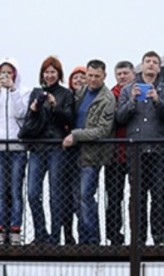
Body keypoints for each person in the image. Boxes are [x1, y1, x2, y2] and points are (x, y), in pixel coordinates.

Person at [115, 50, 164, 245]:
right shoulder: (127, 89)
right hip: (136, 149)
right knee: (137, 197)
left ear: (159, 67)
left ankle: (159, 237)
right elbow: (120, 118)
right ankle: (138, 238)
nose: (151, 65)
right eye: (147, 61)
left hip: (159, 149)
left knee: (158, 195)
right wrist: (132, 100)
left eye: (155, 62)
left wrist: (158, 100)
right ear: (141, 65)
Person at [22, 56, 75, 246]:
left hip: (56, 147)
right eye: (47, 72)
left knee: (55, 194)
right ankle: (40, 233)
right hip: (37, 146)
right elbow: (29, 120)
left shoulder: (66, 94)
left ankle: (54, 236)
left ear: (59, 74)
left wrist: (55, 106)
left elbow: (69, 118)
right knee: (32, 192)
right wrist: (34, 109)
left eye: (53, 72)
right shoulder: (36, 92)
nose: (50, 75)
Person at [62, 59, 114, 246]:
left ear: (104, 76)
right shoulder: (81, 92)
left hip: (92, 155)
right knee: (76, 197)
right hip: (74, 153)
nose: (92, 80)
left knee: (85, 196)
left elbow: (102, 131)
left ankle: (92, 239)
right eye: (89, 76)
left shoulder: (107, 99)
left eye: (96, 76)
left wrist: (75, 135)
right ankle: (83, 236)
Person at [0, 58, 28, 245]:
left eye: (9, 73)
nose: (6, 76)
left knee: (16, 190)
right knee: (0, 190)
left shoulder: (24, 91)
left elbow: (21, 113)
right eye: (2, 73)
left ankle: (16, 229)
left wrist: (13, 91)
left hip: (17, 147)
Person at [103, 60, 137, 245]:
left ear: (133, 74)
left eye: (126, 73)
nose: (122, 77)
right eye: (119, 74)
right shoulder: (110, 95)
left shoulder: (138, 93)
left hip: (133, 152)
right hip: (114, 154)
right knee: (114, 197)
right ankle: (114, 234)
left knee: (136, 197)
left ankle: (136, 235)